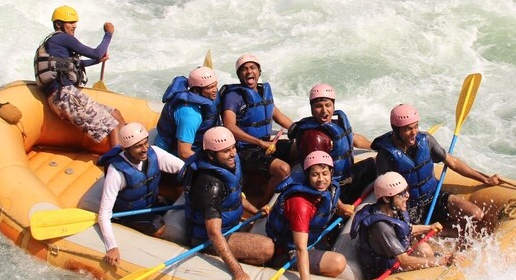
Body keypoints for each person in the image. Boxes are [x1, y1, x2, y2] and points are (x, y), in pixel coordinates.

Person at [371, 104, 503, 236]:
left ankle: (441, 231)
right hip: (409, 206)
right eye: (408, 129)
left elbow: (454, 163)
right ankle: (436, 231)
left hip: (434, 195)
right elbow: (385, 192)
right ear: (396, 130)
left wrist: (485, 179)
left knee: (476, 215)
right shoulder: (386, 155)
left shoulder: (426, 140)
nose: (414, 132)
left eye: (416, 126)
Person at [182, 126, 273, 280]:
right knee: (267, 248)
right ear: (211, 155)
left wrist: (255, 211)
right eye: (225, 151)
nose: (232, 154)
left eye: (233, 148)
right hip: (207, 239)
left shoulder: (228, 164)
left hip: (230, 226)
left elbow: (234, 196)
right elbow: (213, 233)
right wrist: (237, 270)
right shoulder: (210, 185)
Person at [263, 151, 351, 280]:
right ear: (307, 176)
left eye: (325, 173)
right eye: (315, 175)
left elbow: (331, 195)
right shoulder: (300, 204)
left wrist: (342, 207)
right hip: (288, 251)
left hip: (312, 239)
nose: (321, 180)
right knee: (338, 262)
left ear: (331, 172)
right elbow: (300, 248)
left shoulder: (329, 186)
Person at [34, 5, 125, 147]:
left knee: (115, 114)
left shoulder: (54, 45)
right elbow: (96, 52)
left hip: (66, 95)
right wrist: (108, 34)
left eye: (75, 22)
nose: (74, 26)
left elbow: (71, 65)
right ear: (58, 24)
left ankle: (132, 152)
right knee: (112, 125)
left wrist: (96, 61)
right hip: (64, 96)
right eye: (70, 22)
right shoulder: (62, 38)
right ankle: (119, 163)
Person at [95, 123, 184, 267]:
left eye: (145, 143)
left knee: (172, 204)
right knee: (158, 226)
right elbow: (104, 214)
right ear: (126, 148)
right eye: (138, 146)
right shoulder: (116, 173)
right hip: (127, 215)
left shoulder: (154, 152)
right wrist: (112, 247)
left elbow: (183, 168)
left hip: (151, 203)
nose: (144, 149)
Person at [219, 54, 293, 203]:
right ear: (239, 75)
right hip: (246, 150)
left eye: (253, 68)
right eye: (244, 69)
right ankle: (264, 205)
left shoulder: (263, 91)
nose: (249, 72)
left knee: (300, 147)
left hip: (266, 144)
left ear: (259, 71)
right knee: (283, 169)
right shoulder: (233, 97)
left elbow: (277, 115)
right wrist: (259, 143)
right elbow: (229, 126)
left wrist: (300, 130)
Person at [350, 172, 452, 280]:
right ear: (387, 199)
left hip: (395, 258)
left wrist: (429, 227)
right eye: (402, 194)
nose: (407, 196)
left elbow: (405, 228)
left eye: (407, 191)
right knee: (425, 250)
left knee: (424, 248)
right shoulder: (381, 227)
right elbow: (403, 261)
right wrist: (443, 260)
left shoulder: (392, 210)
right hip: (384, 272)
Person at [288, 83, 375, 203]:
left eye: (328, 105)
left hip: (347, 175)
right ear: (311, 108)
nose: (324, 111)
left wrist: (377, 146)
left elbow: (355, 139)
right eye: (318, 106)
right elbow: (319, 178)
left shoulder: (336, 124)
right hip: (336, 187)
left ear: (333, 106)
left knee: (378, 161)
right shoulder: (314, 138)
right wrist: (339, 206)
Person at [153, 66, 220, 160]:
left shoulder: (206, 98)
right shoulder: (190, 116)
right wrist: (212, 162)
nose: (214, 90)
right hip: (170, 154)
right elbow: (184, 153)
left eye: (215, 85)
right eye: (210, 88)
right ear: (196, 90)